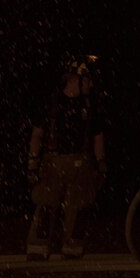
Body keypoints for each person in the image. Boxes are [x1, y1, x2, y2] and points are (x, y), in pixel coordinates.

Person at [26, 54, 107, 260]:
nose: (91, 84)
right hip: (53, 162)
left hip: (82, 162)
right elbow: (37, 134)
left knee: (78, 206)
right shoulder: (52, 104)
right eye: (87, 79)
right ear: (74, 79)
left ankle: (72, 249)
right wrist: (33, 162)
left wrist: (100, 163)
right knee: (46, 202)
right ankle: (38, 248)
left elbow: (97, 136)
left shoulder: (90, 107)